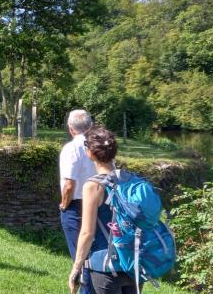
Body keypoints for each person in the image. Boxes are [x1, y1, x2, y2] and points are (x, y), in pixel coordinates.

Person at [69, 126, 139, 294]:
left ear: (90, 154)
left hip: (105, 264)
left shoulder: (93, 186)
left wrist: (76, 267)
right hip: (132, 261)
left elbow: (87, 233)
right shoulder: (130, 179)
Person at [59, 109, 96, 294]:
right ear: (90, 127)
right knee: (96, 255)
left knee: (80, 258)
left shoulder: (71, 149)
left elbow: (69, 184)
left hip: (77, 206)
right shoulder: (98, 146)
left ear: (71, 128)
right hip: (99, 204)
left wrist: (64, 205)